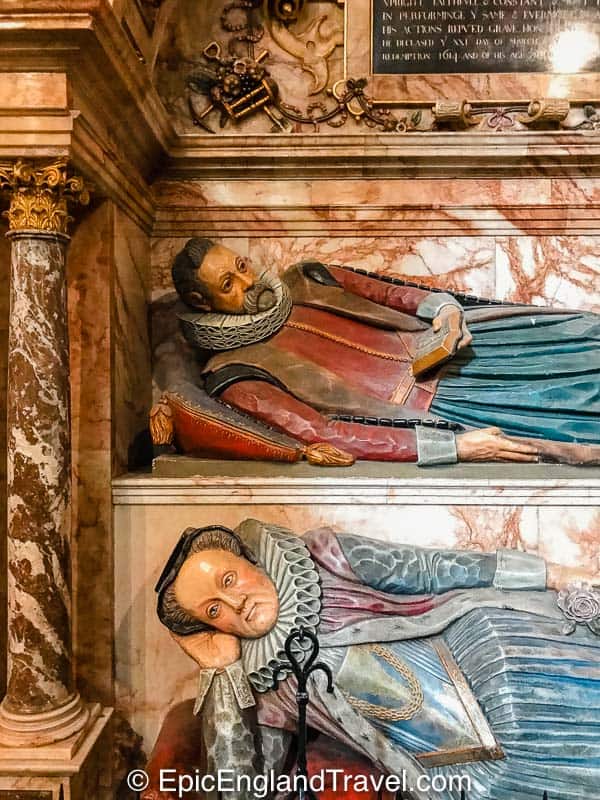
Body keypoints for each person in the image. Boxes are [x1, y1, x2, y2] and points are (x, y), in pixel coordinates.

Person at [155, 519, 600, 800]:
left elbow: (434, 568)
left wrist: (553, 575)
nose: (235, 604)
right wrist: (220, 674)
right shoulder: (268, 686)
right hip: (473, 770)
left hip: (505, 654)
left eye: (230, 579)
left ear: (249, 558)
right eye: (214, 610)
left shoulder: (323, 555)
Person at [169, 238, 600, 466]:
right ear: (203, 304)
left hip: (456, 344)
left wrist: (445, 311)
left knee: (586, 333)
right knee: (580, 408)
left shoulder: (306, 277)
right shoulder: (234, 374)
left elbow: (392, 295)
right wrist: (453, 448)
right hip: (447, 403)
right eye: (228, 285)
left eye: (241, 266)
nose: (248, 283)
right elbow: (326, 435)